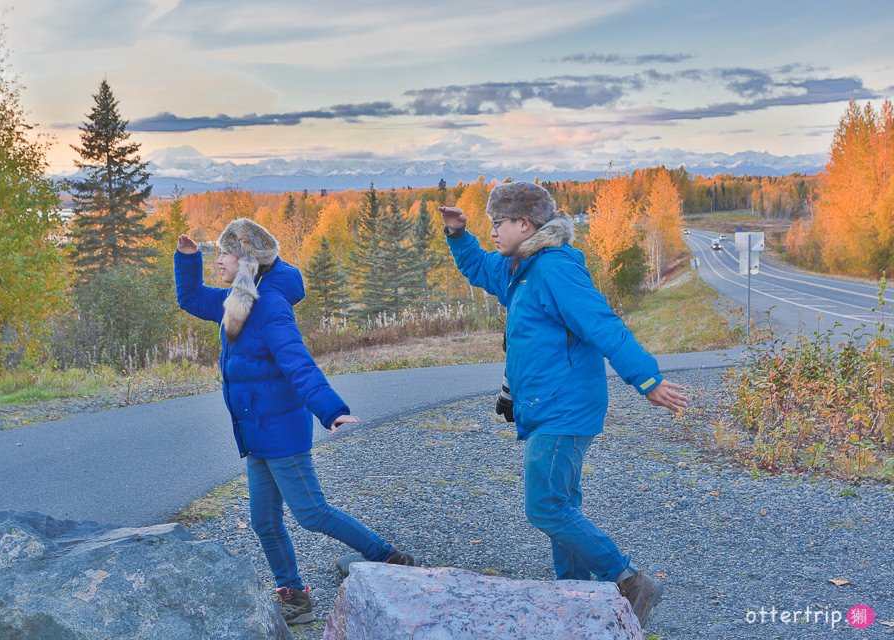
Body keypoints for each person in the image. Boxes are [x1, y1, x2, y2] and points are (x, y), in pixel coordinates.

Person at [439, 182, 689, 628]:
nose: (492, 231)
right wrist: (458, 234)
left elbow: (602, 325)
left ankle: (630, 580)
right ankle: (576, 592)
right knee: (562, 504)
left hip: (564, 409)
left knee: (545, 506)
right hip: (546, 407)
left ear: (525, 223)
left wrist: (647, 379)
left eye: (498, 223)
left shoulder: (554, 269)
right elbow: (479, 267)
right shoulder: (520, 267)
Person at [174, 219, 418, 626]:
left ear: (248, 262)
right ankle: (294, 596)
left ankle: (387, 557)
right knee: (264, 521)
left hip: (281, 433)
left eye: (225, 254)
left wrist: (330, 408)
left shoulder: (269, 306)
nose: (218, 261)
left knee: (311, 513)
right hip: (253, 433)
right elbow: (191, 298)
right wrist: (187, 258)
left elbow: (298, 363)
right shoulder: (239, 299)